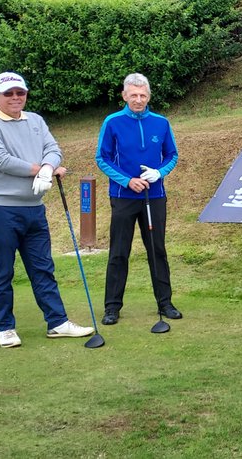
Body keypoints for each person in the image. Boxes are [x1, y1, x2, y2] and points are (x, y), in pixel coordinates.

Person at [0, 71, 95, 348]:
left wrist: (49, 167)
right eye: (8, 93)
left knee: (42, 268)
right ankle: (5, 327)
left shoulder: (36, 120)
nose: (15, 98)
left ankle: (57, 322)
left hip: (33, 208)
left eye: (20, 93)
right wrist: (39, 171)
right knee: (2, 271)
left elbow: (53, 148)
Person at [96, 73, 181, 325]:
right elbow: (103, 158)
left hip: (154, 195)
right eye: (133, 95)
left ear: (149, 96)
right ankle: (112, 307)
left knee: (157, 250)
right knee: (119, 252)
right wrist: (127, 180)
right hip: (123, 195)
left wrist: (160, 172)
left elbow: (172, 155)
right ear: (124, 95)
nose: (138, 99)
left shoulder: (161, 122)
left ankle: (165, 303)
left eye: (143, 95)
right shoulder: (112, 122)